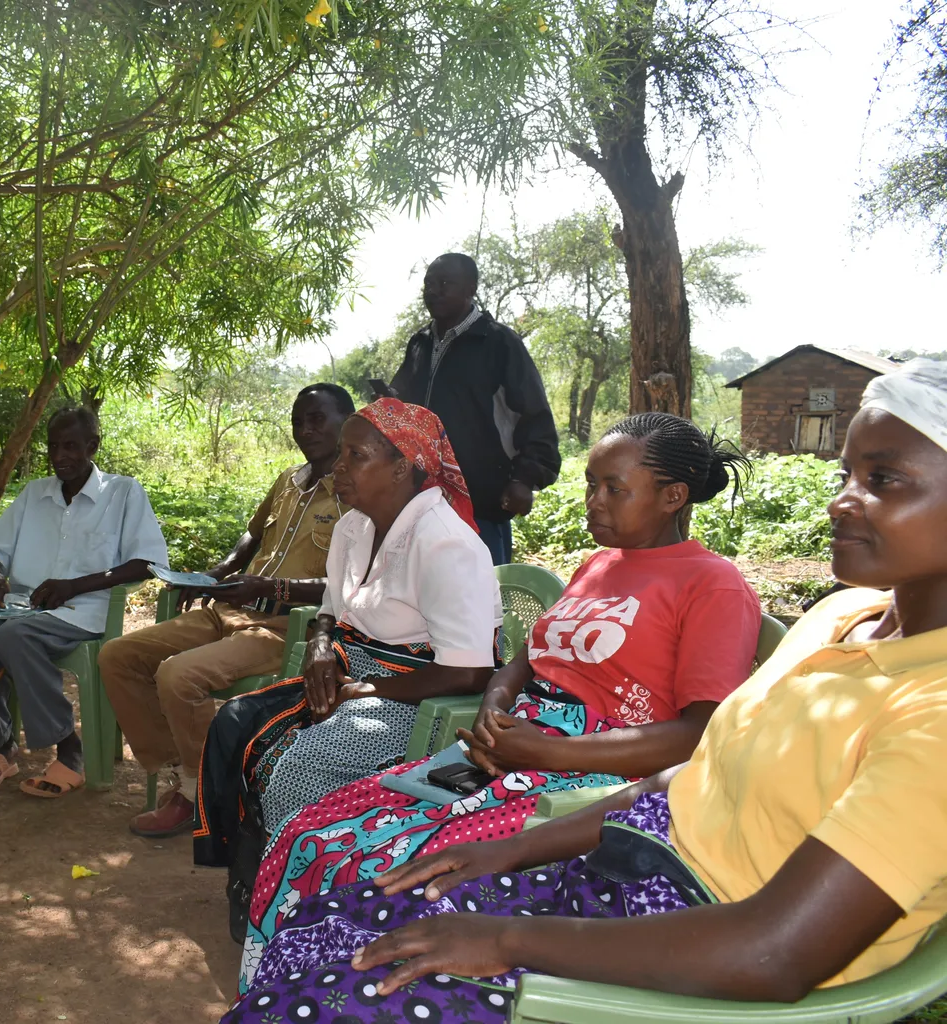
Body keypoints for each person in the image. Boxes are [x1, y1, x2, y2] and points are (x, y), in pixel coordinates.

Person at [222, 358, 947, 1024]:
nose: (841, 503)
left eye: (883, 480)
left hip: (655, 869)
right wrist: (505, 737)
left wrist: (517, 890)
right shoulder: (837, 618)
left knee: (360, 902)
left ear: (671, 497)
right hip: (607, 819)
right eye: (844, 475)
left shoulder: (721, 589)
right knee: (330, 873)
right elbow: (692, 760)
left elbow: (772, 942)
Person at [236, 412, 761, 986]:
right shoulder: (600, 566)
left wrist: (549, 754)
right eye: (590, 484)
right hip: (511, 744)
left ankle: (338, 994)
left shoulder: (712, 585)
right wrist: (495, 706)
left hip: (584, 765)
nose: (593, 501)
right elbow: (529, 659)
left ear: (673, 496)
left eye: (614, 488)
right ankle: (286, 992)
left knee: (378, 868)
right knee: (311, 831)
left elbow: (702, 737)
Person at [195, 398, 502, 927]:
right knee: (235, 723)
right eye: (342, 455)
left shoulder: (446, 543)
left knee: (301, 760)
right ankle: (255, 877)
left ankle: (299, 901)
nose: (339, 467)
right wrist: (318, 646)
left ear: (403, 466)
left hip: (423, 695)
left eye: (355, 455)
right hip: (352, 671)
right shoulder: (352, 529)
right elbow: (330, 613)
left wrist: (372, 691)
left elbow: (469, 671)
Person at [100, 383, 355, 838]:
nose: (306, 429)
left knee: (178, 676)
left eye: (318, 419)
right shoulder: (288, 481)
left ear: (346, 423)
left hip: (285, 627)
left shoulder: (355, 494)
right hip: (230, 609)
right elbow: (252, 536)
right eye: (298, 420)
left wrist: (272, 586)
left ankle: (199, 794)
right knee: (118, 656)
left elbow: (347, 587)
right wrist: (217, 572)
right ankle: (190, 775)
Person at [0, 406, 169, 799]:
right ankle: (0, 745)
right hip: (24, 606)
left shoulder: (123, 492)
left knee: (15, 636)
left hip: (83, 609)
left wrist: (74, 586)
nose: (60, 457)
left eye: (71, 446)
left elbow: (147, 562)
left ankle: (69, 747)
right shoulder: (34, 493)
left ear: (93, 446)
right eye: (53, 447)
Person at [387, 252, 560, 565]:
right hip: (420, 498)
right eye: (428, 284)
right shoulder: (419, 344)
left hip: (479, 500)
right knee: (422, 595)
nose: (433, 291)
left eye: (444, 283)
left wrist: (524, 479)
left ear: (470, 289)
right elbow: (405, 407)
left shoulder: (498, 343)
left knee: (480, 600)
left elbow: (534, 415)